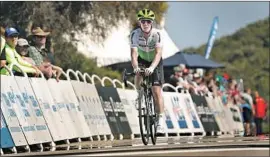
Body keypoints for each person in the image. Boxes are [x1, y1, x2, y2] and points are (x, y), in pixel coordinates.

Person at [130, 9, 165, 134]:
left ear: (151, 23)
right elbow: (133, 54)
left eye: (148, 21)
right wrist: (135, 67)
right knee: (138, 72)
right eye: (143, 21)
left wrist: (152, 68)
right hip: (142, 59)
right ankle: (139, 94)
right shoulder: (135, 34)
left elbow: (158, 54)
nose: (145, 23)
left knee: (156, 91)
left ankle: (160, 120)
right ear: (140, 22)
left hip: (156, 61)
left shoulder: (157, 34)